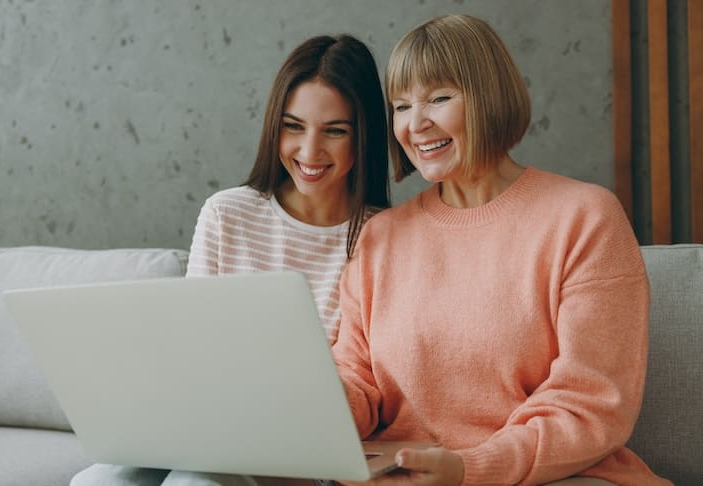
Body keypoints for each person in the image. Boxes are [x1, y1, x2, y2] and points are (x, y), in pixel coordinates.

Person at [331, 14, 671, 486]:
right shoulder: (380, 239)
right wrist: (308, 405)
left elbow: (591, 402)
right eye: (401, 105)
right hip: (404, 474)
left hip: (558, 477)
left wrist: (470, 469)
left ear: (488, 95)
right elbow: (358, 381)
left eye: (439, 98)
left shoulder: (584, 218)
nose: (416, 123)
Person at [70, 33, 390, 486]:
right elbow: (191, 351)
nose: (309, 151)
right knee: (99, 481)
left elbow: (370, 390)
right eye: (293, 126)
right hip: (204, 424)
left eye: (334, 131)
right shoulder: (228, 213)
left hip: (299, 454)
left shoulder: (386, 238)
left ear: (364, 136)